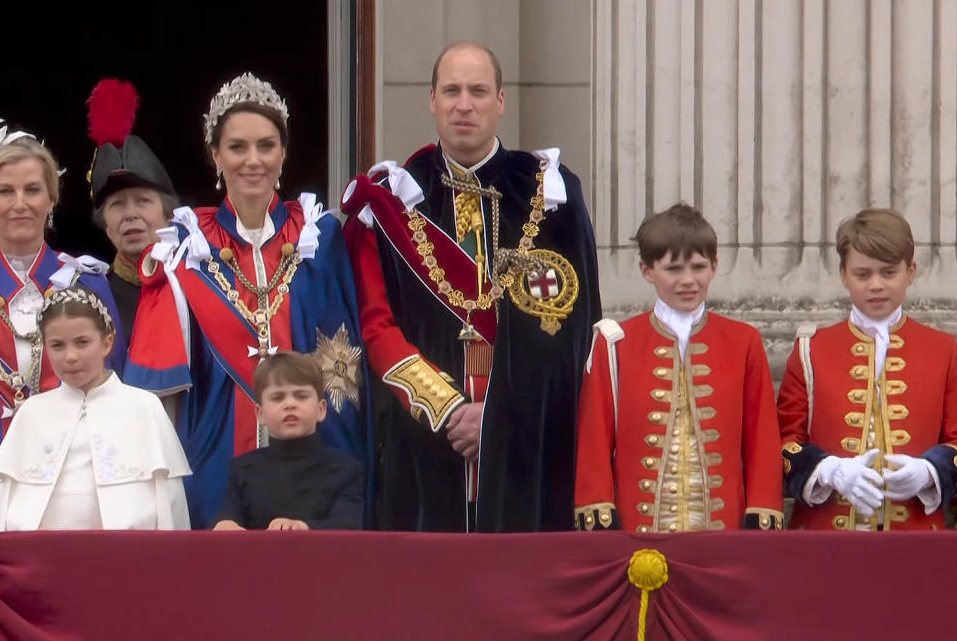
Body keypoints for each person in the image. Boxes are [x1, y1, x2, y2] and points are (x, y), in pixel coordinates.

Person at [339, 42, 600, 532]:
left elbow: (571, 329)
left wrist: (497, 415)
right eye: (452, 91)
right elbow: (376, 326)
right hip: (424, 441)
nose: (465, 104)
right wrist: (449, 409)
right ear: (432, 100)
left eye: (478, 91)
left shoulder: (552, 191)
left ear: (500, 100)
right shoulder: (391, 200)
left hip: (527, 440)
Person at [124, 73, 372, 529]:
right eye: (237, 147)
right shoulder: (185, 245)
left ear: (283, 152)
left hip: (315, 454)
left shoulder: (319, 235)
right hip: (216, 448)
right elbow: (157, 389)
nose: (253, 160)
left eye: (266, 145)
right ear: (215, 156)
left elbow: (345, 361)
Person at [574, 204, 783, 532]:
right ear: (647, 270)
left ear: (714, 267)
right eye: (673, 269)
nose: (688, 280)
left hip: (723, 530)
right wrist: (598, 511)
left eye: (699, 267)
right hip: (637, 530)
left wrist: (762, 510)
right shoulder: (614, 343)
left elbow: (763, 437)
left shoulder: (744, 341)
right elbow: (594, 437)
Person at [778, 208, 957, 530]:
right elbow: (782, 439)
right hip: (823, 542)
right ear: (844, 274)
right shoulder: (810, 350)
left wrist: (931, 471)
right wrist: (827, 470)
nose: (876, 285)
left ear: (910, 272)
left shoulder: (946, 350)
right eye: (863, 274)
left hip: (917, 542)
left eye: (889, 273)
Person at [0, 287, 190, 530]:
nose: (71, 356)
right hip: (41, 558)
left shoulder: (143, 406)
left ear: (107, 342)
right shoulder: (31, 412)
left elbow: (170, 502)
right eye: (57, 345)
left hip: (124, 557)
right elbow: (4, 502)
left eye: (82, 342)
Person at [0, 121, 126, 441]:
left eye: (32, 190)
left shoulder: (86, 283)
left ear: (51, 199)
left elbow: (117, 388)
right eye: (4, 191)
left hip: (76, 466)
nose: (20, 203)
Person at [213, 351, 363, 531]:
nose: (290, 404)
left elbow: (348, 526)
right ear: (260, 414)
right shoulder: (241, 470)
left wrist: (302, 528)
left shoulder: (345, 469)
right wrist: (225, 524)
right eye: (278, 397)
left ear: (321, 409)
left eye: (301, 396)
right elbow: (229, 515)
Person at [86, 79, 178, 338]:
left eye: (143, 200)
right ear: (105, 225)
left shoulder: (198, 285)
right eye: (117, 204)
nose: (130, 214)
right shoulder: (93, 301)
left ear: (169, 215)